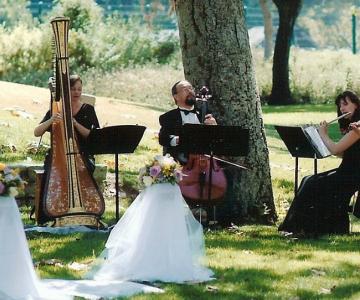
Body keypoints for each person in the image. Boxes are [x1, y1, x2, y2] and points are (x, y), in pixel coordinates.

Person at [278, 90, 360, 236]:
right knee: (308, 179)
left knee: (313, 184)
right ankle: (299, 226)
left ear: (357, 105)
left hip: (352, 175)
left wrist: (323, 134)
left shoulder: (357, 128)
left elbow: (335, 150)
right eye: (340, 105)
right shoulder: (353, 127)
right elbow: (343, 153)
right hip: (348, 171)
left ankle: (299, 227)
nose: (342, 108)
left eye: (345, 104)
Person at [33, 74, 100, 224]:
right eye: (73, 89)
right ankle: (52, 213)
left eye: (79, 89)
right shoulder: (56, 109)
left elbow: (92, 136)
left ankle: (83, 211)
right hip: (59, 154)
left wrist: (74, 123)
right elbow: (37, 132)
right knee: (53, 170)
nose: (76, 92)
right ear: (65, 91)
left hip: (82, 154)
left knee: (82, 169)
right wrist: (51, 119)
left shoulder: (88, 109)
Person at [159, 80, 217, 165]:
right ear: (176, 97)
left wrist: (215, 127)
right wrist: (178, 140)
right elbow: (163, 139)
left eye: (191, 88)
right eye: (185, 89)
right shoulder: (169, 117)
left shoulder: (205, 113)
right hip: (180, 161)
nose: (190, 91)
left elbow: (216, 141)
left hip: (205, 162)